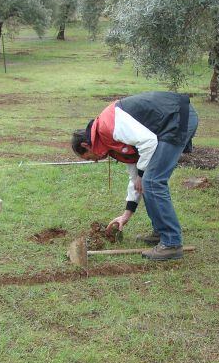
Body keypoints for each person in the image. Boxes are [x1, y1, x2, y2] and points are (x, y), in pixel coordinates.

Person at [71, 91, 198, 261]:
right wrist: (126, 214)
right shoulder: (109, 141)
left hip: (177, 117)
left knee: (152, 181)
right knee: (147, 181)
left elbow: (148, 142)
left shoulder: (109, 127)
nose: (94, 161)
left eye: (88, 157)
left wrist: (142, 174)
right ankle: (161, 233)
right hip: (168, 122)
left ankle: (172, 244)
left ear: (86, 145)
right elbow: (135, 177)